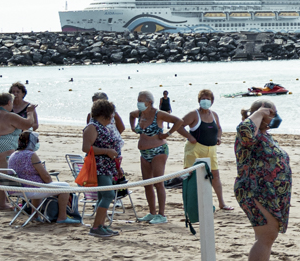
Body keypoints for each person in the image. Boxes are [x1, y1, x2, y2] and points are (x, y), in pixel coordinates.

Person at [234, 100, 293, 261]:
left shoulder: (264, 135)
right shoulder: (248, 132)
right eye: (271, 113)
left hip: (270, 192)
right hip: (255, 190)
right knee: (266, 234)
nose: (275, 117)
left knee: (269, 235)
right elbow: (244, 132)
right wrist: (258, 113)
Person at [131, 90, 192, 223]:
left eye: (141, 100)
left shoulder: (158, 114)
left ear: (149, 102)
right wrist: (133, 128)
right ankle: (152, 212)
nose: (139, 103)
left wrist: (168, 134)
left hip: (158, 150)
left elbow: (179, 121)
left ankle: (162, 214)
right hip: (144, 152)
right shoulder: (140, 113)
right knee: (147, 183)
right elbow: (131, 115)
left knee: (158, 182)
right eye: (138, 100)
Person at [4, 131, 78, 223]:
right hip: (30, 190)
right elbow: (46, 178)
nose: (37, 143)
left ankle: (35, 215)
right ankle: (62, 217)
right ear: (31, 142)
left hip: (17, 190)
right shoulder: (31, 155)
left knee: (38, 186)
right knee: (65, 187)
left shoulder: (13, 155)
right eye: (36, 141)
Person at [180, 90, 233, 213]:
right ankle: (188, 203)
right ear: (199, 101)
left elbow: (219, 128)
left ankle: (221, 203)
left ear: (212, 101)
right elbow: (179, 125)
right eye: (203, 98)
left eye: (208, 98)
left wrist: (219, 137)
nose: (205, 101)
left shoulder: (214, 114)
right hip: (195, 149)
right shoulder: (194, 114)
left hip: (211, 149)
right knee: (190, 176)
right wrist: (189, 136)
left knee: (215, 176)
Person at [0, 92, 37, 211]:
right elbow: (28, 123)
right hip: (4, 148)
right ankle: (0, 204)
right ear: (9, 102)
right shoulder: (9, 115)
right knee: (5, 176)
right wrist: (30, 112)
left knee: (1, 175)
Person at [82, 99, 126, 238]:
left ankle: (100, 225)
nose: (112, 119)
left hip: (107, 166)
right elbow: (86, 148)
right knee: (108, 194)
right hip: (98, 166)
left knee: (103, 195)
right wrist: (106, 151)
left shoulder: (101, 126)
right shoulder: (92, 127)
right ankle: (96, 226)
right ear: (104, 114)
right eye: (111, 116)